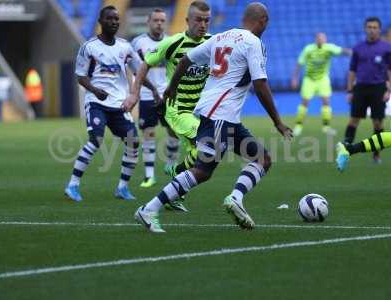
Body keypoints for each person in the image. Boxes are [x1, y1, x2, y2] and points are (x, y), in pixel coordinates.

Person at [129, 2, 293, 233]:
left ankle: (235, 198)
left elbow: (186, 60)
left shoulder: (220, 37)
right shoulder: (253, 42)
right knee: (203, 171)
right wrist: (277, 121)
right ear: (263, 22)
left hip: (223, 117)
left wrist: (171, 88)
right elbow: (260, 84)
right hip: (219, 116)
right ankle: (149, 209)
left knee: (262, 159)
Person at [64, 6, 158, 202]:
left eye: (116, 19)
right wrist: (95, 90)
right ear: (100, 21)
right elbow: (80, 77)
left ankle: (122, 188)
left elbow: (138, 72)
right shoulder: (89, 47)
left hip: (119, 105)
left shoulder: (125, 46)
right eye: (110, 19)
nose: (114, 22)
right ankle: (72, 185)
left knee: (133, 142)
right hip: (96, 102)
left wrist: (153, 90)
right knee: (95, 140)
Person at [125, 1, 212, 212]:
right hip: (177, 110)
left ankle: (175, 182)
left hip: (199, 111)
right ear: (187, 20)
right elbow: (145, 64)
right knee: (207, 145)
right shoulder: (173, 43)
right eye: (198, 20)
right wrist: (135, 92)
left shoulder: (213, 43)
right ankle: (168, 184)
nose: (203, 25)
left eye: (207, 20)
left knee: (202, 155)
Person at [131, 8, 180, 188]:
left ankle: (170, 165)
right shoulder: (138, 43)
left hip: (167, 94)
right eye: (156, 20)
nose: (159, 23)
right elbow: (136, 70)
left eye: (162, 20)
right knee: (149, 134)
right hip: (146, 95)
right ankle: (149, 175)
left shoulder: (170, 42)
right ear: (148, 22)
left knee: (173, 131)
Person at [342, 17, 391, 164]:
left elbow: (390, 70)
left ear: (379, 29)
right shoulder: (358, 48)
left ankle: (376, 155)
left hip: (378, 88)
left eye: (375, 27)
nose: (372, 29)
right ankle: (344, 149)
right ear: (365, 29)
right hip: (360, 88)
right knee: (353, 120)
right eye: (369, 27)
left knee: (378, 123)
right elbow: (352, 71)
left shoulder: (387, 48)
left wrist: (389, 89)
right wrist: (350, 91)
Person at [291, 33, 351, 136]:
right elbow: (299, 63)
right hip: (309, 79)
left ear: (325, 39)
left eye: (323, 38)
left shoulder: (329, 48)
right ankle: (298, 126)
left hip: (323, 79)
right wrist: (295, 78)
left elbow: (342, 51)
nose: (321, 40)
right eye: (319, 38)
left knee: (326, 102)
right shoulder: (308, 49)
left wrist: (353, 52)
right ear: (316, 39)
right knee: (305, 102)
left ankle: (326, 127)